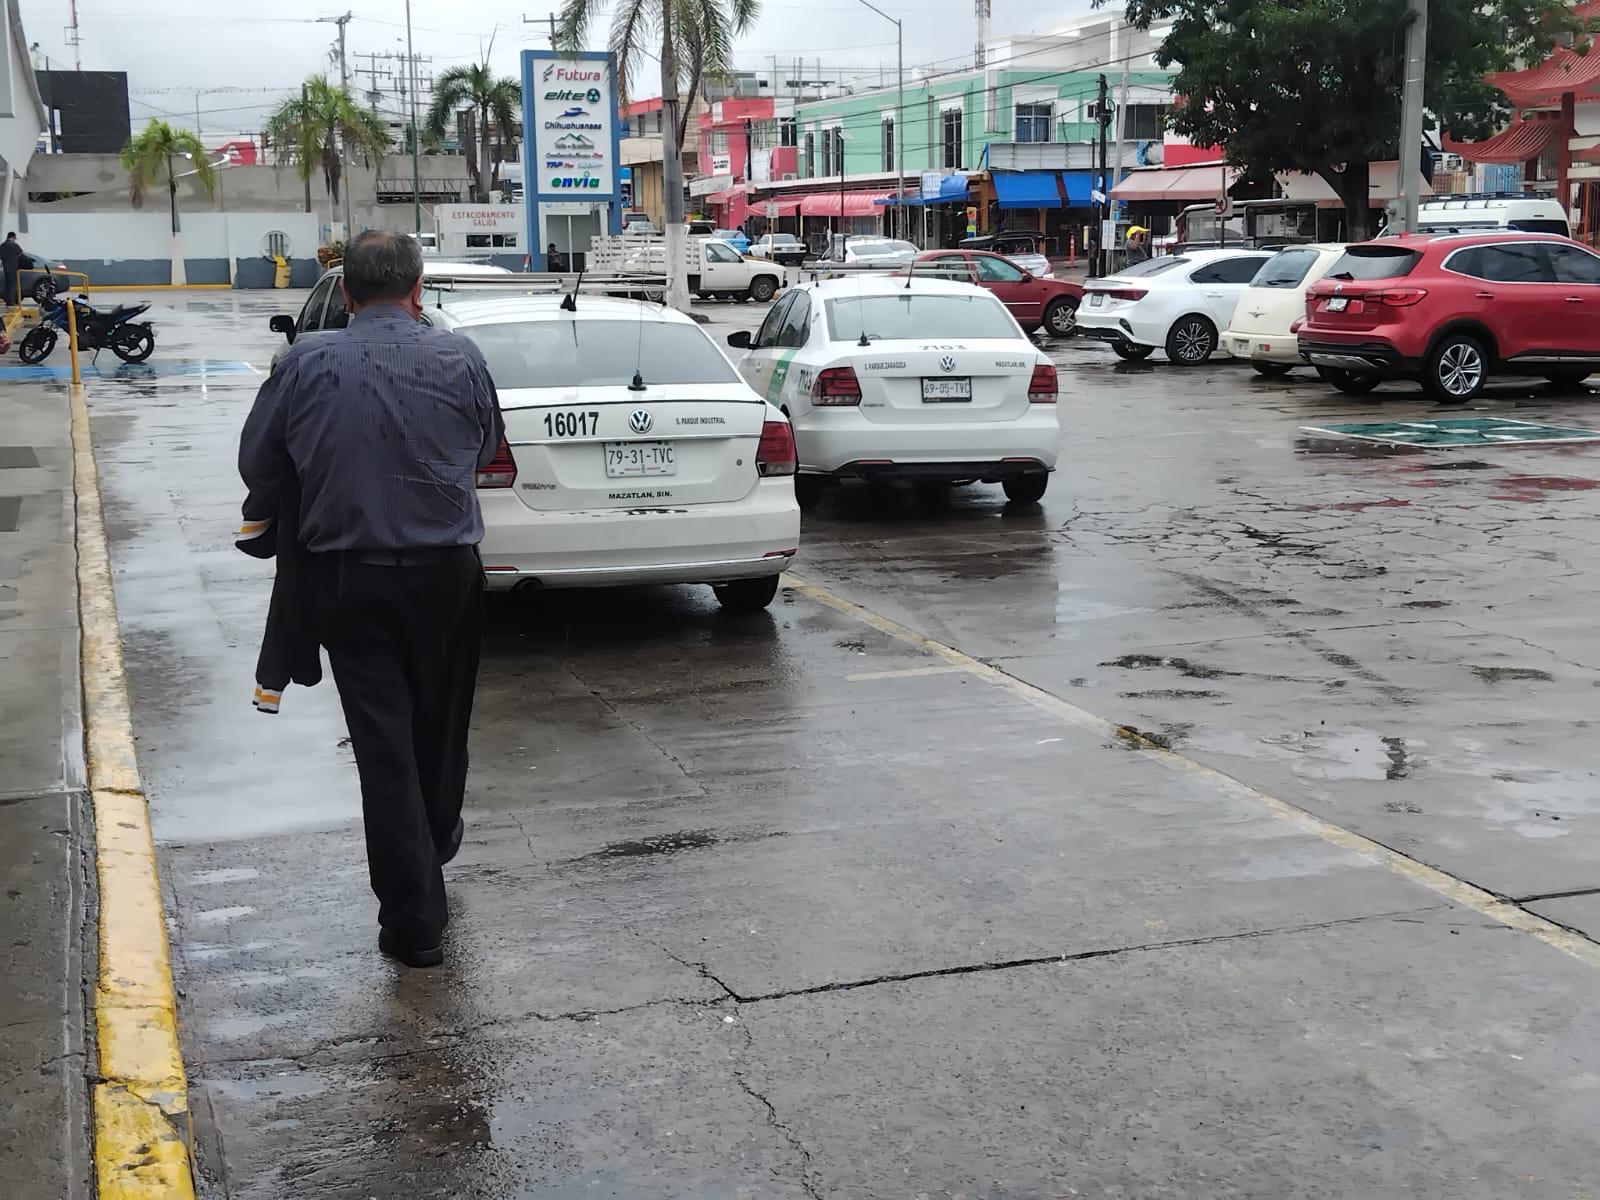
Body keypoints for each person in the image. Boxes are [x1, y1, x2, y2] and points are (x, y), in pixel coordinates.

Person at [238, 229, 504, 969]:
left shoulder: (303, 362)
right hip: (446, 574)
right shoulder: (461, 357)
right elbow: (484, 450)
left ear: (347, 294)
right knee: (440, 728)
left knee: (383, 747)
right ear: (418, 291)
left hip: (345, 579)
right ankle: (433, 847)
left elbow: (255, 460)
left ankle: (415, 920)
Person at [0, 232, 23, 308]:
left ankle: (8, 301)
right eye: (14, 238)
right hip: (13, 268)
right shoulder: (14, 245)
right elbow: (22, 254)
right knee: (12, 286)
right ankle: (11, 302)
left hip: (5, 268)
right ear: (13, 237)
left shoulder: (2, 245)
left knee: (7, 285)